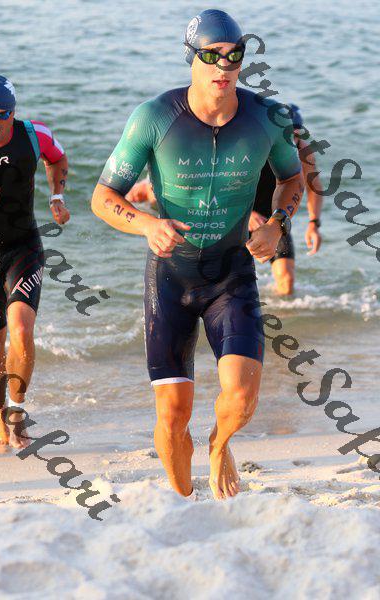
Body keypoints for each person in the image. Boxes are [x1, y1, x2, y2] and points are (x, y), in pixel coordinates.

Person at [92, 9, 304, 500]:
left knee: (242, 397)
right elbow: (103, 197)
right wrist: (147, 224)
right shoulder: (154, 117)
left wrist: (277, 223)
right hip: (171, 276)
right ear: (191, 56)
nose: (223, 66)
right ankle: (183, 501)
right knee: (172, 415)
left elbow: (293, 179)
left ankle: (218, 444)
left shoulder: (267, 117)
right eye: (211, 55)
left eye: (234, 55)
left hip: (232, 274)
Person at [127, 104, 323, 296]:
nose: (290, 140)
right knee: (213, 276)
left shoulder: (303, 153)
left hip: (271, 218)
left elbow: (313, 188)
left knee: (286, 281)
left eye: (295, 134)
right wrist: (249, 215)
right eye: (286, 134)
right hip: (230, 211)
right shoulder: (256, 145)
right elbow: (213, 183)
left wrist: (313, 223)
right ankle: (147, 186)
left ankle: (276, 312)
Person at [0, 74, 69, 448]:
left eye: (3, 114)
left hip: (23, 248)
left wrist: (56, 197)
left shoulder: (34, 136)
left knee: (20, 329)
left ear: (13, 113)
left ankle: (16, 413)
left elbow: (58, 159)